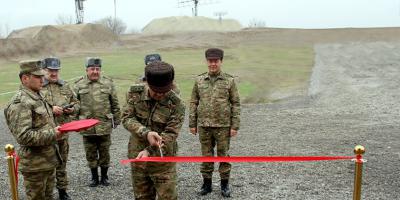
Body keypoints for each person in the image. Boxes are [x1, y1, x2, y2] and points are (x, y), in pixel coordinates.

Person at [122, 61, 185, 200]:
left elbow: (171, 134)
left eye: (164, 92)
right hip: (138, 159)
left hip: (163, 162)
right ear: (147, 84)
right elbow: (127, 118)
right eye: (155, 91)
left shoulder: (177, 104)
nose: (160, 95)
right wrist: (146, 132)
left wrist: (149, 151)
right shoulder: (134, 94)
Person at [4, 60, 64, 200]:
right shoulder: (21, 103)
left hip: (47, 161)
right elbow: (24, 136)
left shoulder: (37, 95)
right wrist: (53, 133)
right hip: (34, 166)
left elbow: (43, 125)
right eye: (38, 77)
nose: (42, 79)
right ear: (25, 78)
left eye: (42, 76)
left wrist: (55, 131)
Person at [189, 48, 241, 197]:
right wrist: (192, 124)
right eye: (210, 61)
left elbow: (236, 103)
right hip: (204, 125)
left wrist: (235, 125)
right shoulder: (199, 80)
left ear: (221, 61)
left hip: (223, 126)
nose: (213, 64)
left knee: (223, 155)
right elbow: (193, 102)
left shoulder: (229, 80)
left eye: (216, 61)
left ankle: (225, 185)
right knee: (206, 155)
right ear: (207, 62)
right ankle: (207, 184)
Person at [74, 57, 121, 187]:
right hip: (86, 127)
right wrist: (75, 124)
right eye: (92, 69)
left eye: (97, 69)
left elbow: (115, 104)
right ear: (87, 70)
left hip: (104, 125)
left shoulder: (108, 83)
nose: (95, 71)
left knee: (105, 152)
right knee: (90, 153)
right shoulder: (79, 85)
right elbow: (74, 105)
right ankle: (94, 177)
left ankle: (104, 177)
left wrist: (116, 119)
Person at [41, 57, 79, 200]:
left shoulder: (65, 86)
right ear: (44, 70)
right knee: (47, 166)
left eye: (56, 70)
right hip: (46, 135)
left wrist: (72, 109)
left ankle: (63, 191)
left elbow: (77, 103)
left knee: (62, 163)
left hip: (63, 133)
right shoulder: (38, 87)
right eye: (50, 70)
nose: (54, 73)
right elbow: (32, 108)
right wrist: (51, 109)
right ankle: (46, 193)